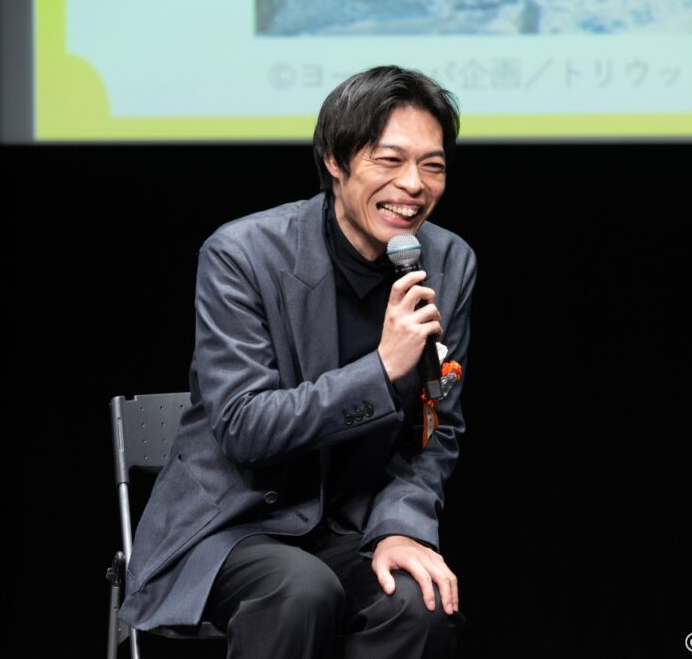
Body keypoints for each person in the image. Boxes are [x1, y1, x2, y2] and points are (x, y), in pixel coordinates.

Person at [119, 65, 477, 658]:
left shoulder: (448, 261)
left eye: (432, 166)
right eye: (389, 161)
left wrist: (399, 527)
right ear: (335, 160)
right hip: (232, 525)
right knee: (301, 592)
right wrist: (381, 369)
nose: (413, 185)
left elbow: (436, 428)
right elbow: (244, 427)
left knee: (421, 603)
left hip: (352, 528)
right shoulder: (242, 255)